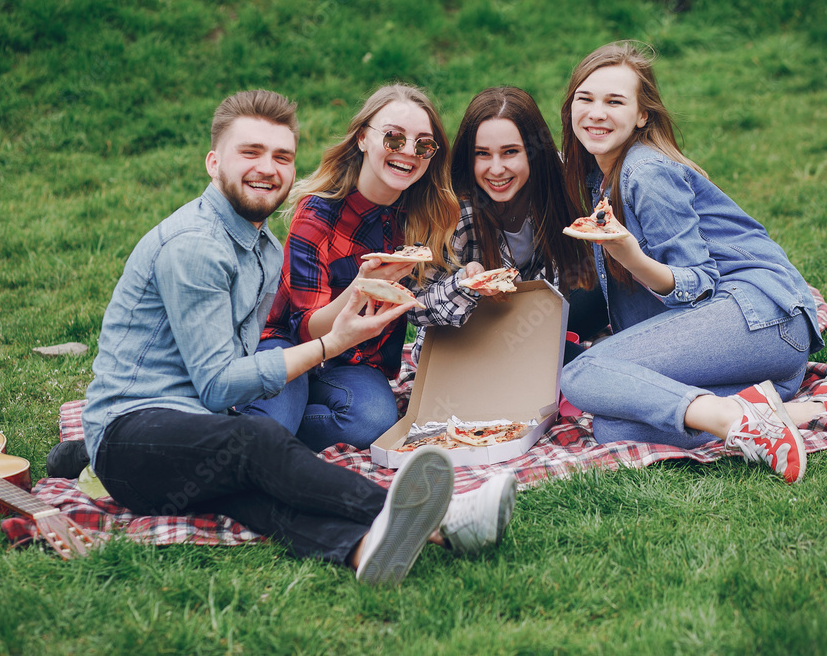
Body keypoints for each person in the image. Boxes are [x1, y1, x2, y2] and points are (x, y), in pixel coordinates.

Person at [80, 90, 514, 585]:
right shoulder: (196, 248)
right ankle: (443, 517)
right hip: (131, 435)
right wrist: (332, 343)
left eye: (281, 156)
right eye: (251, 152)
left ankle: (361, 548)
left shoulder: (260, 245)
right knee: (257, 442)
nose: (268, 168)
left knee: (256, 493)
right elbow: (219, 386)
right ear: (212, 161)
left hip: (180, 446)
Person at [557, 42, 827, 484]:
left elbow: (699, 285)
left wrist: (629, 255)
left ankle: (732, 419)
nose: (596, 113)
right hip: (755, 359)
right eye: (585, 99)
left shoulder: (645, 172)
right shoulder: (596, 180)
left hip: (763, 317)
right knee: (614, 424)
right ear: (570, 108)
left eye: (614, 101)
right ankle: (815, 409)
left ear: (642, 115)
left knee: (583, 372)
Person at [243, 84, 461, 453]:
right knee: (270, 430)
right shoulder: (316, 214)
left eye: (424, 145)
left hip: (358, 361)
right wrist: (360, 290)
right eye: (394, 138)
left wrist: (469, 273)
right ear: (362, 138)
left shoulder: (422, 216)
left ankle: (272, 420)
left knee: (373, 423)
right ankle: (264, 418)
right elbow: (307, 329)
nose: (409, 152)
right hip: (290, 344)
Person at [409, 86, 603, 368]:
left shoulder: (558, 183)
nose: (497, 169)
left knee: (614, 280)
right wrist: (465, 283)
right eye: (483, 154)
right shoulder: (454, 211)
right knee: (587, 368)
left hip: (534, 322)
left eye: (510, 152)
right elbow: (416, 306)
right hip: (471, 347)